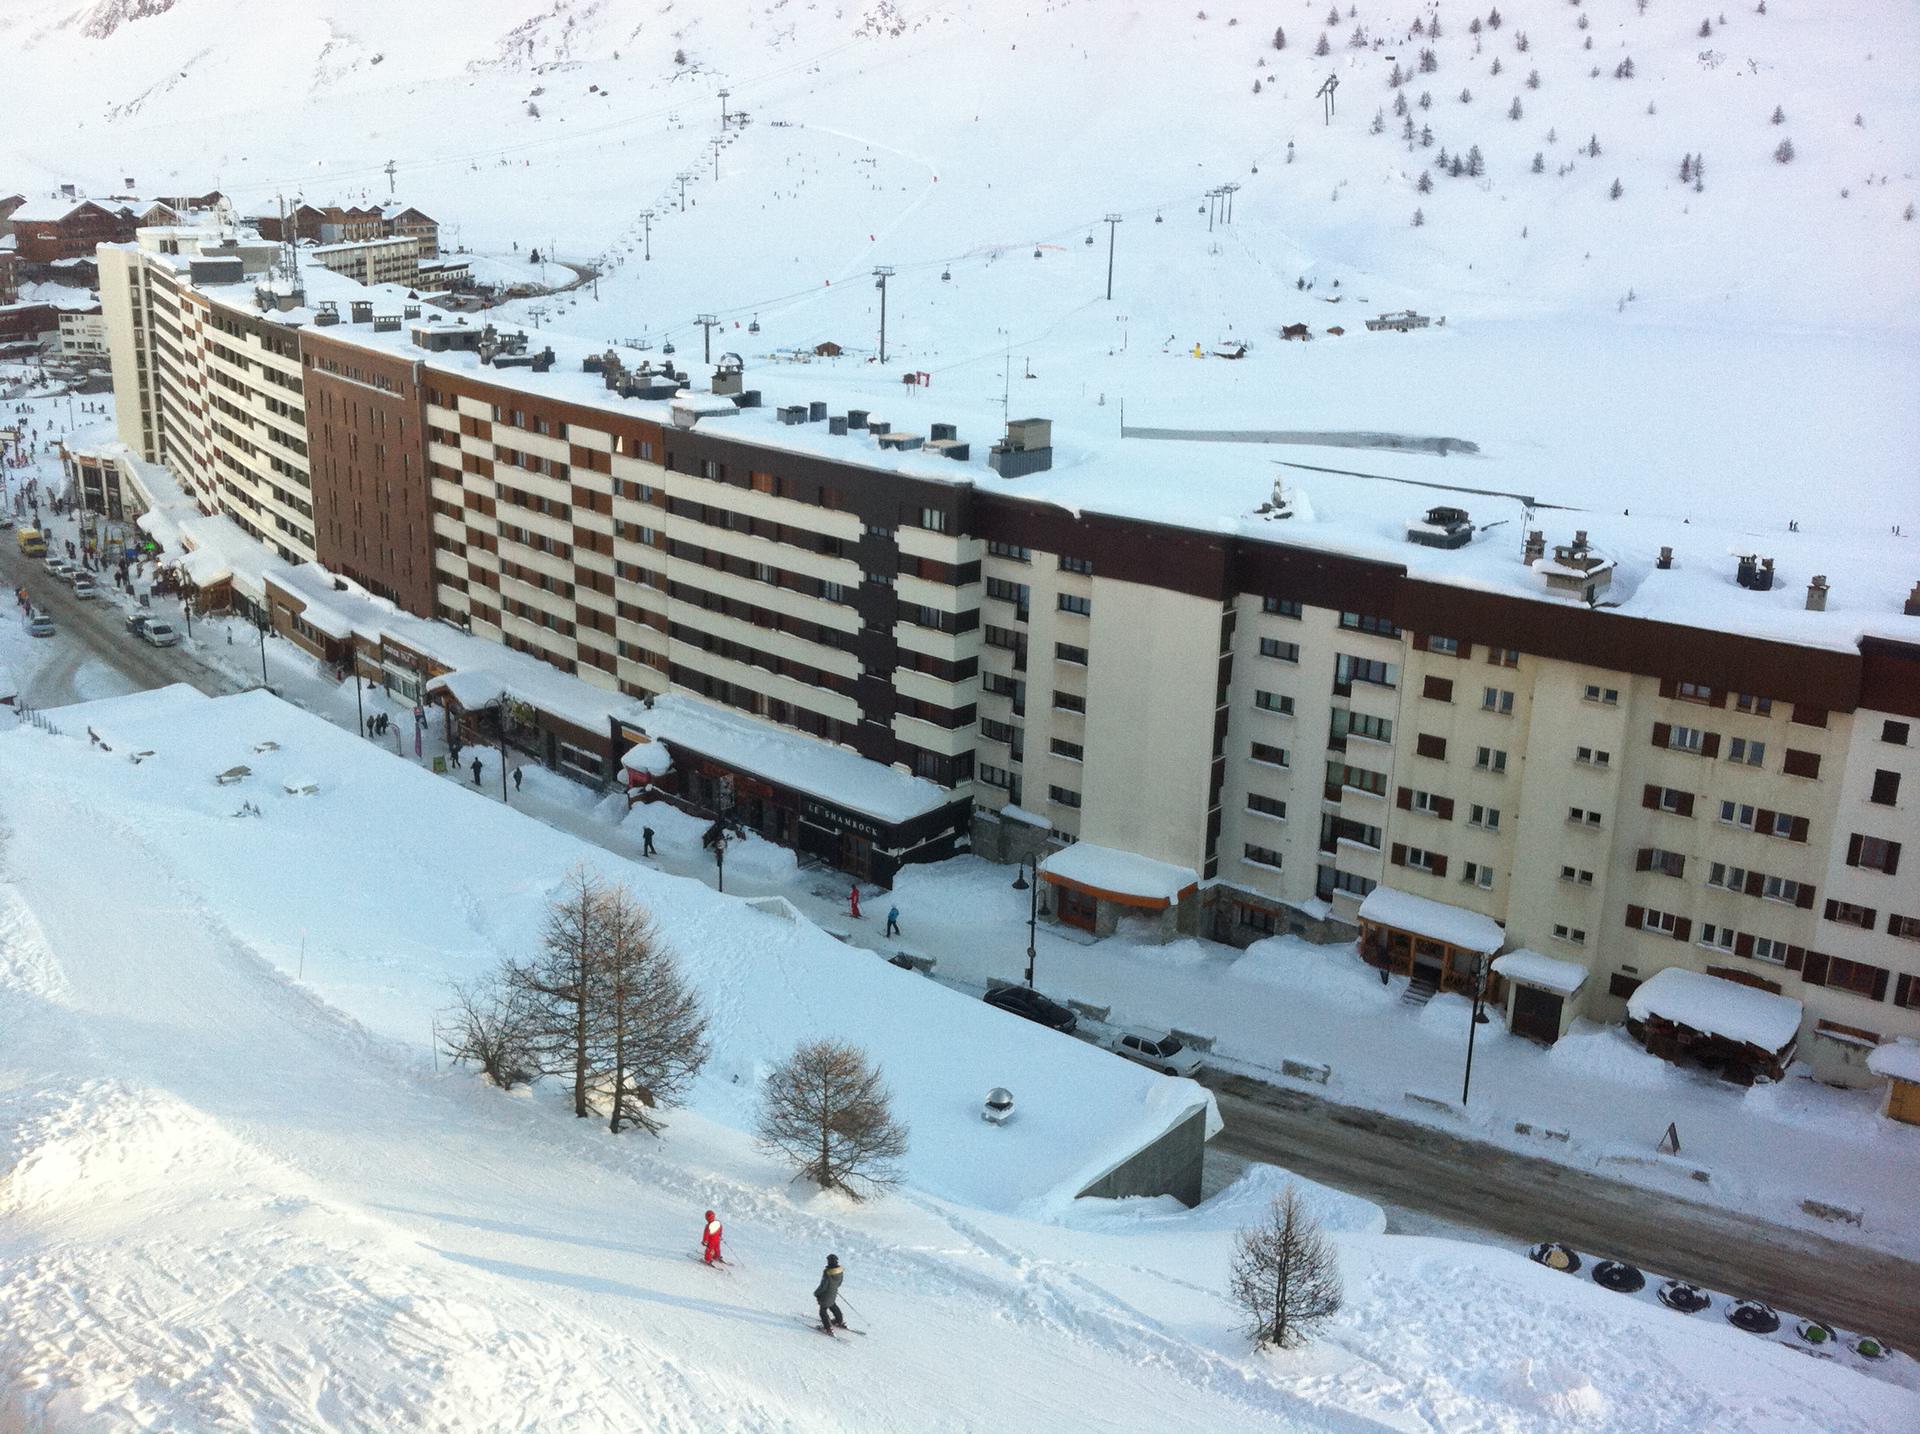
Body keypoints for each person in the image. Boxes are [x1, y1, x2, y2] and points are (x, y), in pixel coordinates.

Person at [814, 1254, 846, 1335]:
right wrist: (833, 1288)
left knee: (823, 1311)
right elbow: (839, 1282)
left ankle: (828, 1328)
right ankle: (839, 1320)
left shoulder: (828, 1273)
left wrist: (816, 1293)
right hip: (833, 1292)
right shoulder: (840, 1271)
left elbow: (823, 1286)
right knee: (832, 1305)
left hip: (826, 1294)